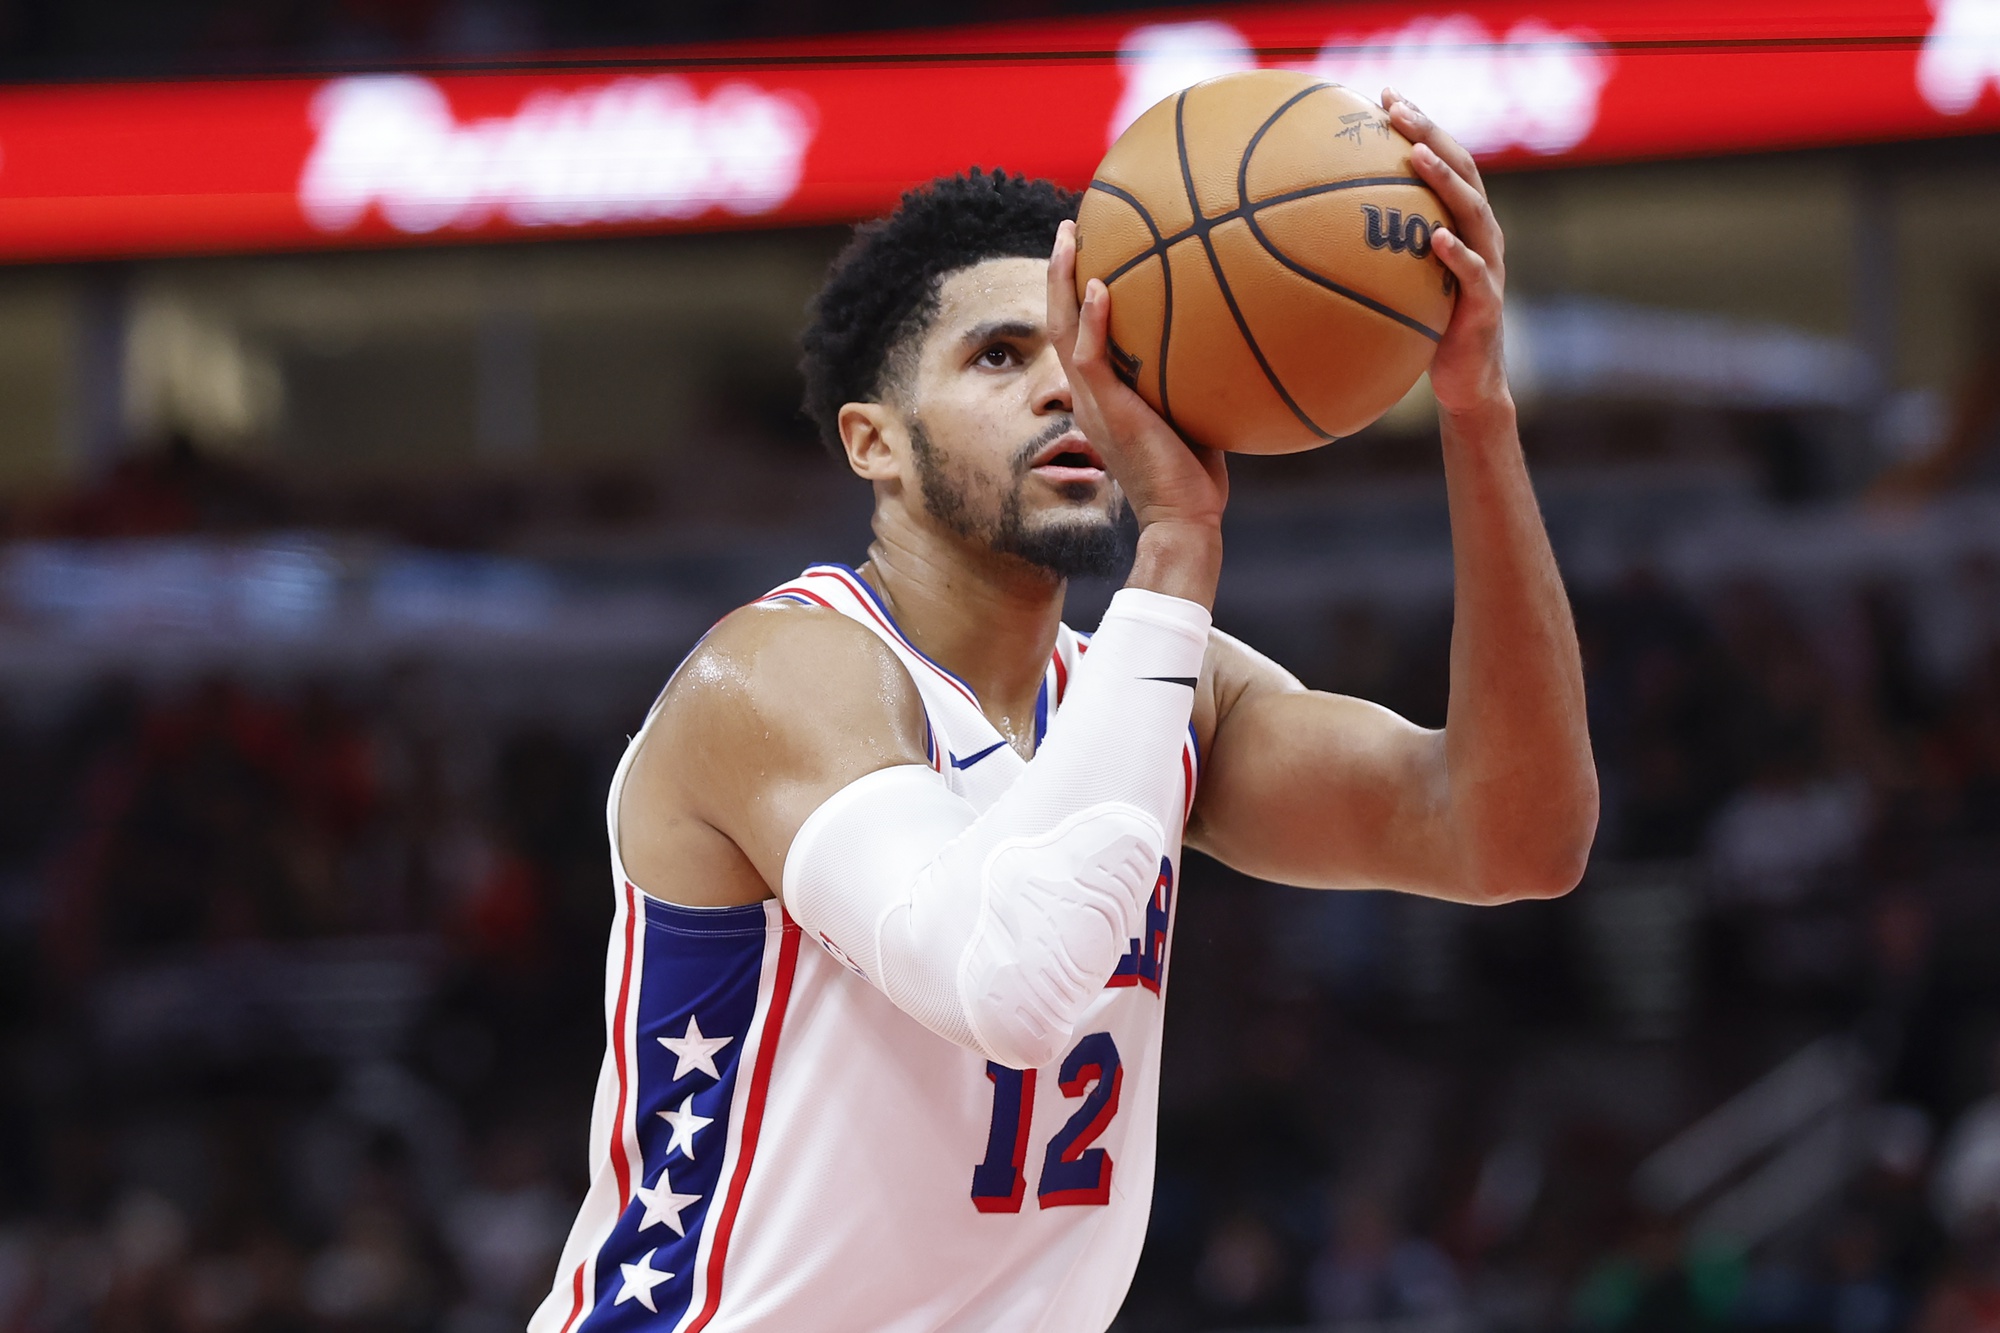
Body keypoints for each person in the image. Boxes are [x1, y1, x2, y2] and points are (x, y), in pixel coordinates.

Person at [531, 91, 1597, 1333]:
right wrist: (1179, 541)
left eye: (1085, 353)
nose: (1063, 390)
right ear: (874, 443)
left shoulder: (1155, 696)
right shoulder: (779, 671)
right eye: (998, 356)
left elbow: (1509, 836)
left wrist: (1476, 415)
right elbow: (1008, 983)